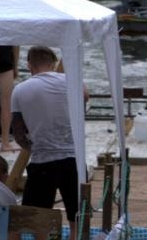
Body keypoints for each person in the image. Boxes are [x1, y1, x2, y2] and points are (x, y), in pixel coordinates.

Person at [9, 46, 89, 227]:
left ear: (29, 65)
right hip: (72, 158)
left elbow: (18, 133)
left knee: (35, 219)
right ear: (53, 64)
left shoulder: (20, 90)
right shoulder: (72, 81)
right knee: (78, 215)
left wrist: (34, 147)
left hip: (42, 159)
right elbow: (85, 96)